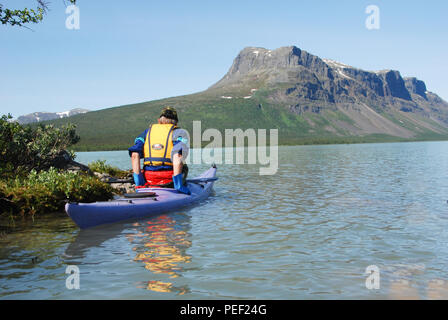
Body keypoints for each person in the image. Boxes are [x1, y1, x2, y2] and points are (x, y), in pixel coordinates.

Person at [128, 106, 191, 195]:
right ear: (176, 123)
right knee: (184, 167)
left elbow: (134, 155)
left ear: (159, 120)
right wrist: (178, 185)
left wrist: (139, 183)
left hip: (149, 178)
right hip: (168, 180)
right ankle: (179, 184)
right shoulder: (179, 133)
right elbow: (177, 156)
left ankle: (144, 185)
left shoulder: (147, 132)